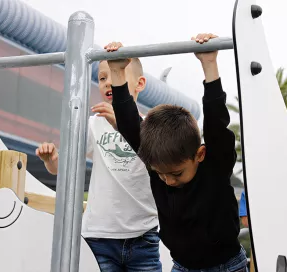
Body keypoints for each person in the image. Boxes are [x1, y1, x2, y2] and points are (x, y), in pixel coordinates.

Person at [103, 33, 248, 271]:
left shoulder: (215, 167)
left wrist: (209, 64)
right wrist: (118, 73)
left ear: (199, 155)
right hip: (182, 266)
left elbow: (216, 126)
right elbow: (130, 125)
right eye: (161, 175)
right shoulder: (157, 163)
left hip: (226, 266)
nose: (168, 181)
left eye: (177, 174)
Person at [35, 57, 162, 272]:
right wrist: (52, 160)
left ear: (139, 84)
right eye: (102, 77)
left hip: (143, 237)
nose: (107, 82)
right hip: (99, 236)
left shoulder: (150, 125)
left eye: (114, 75)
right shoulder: (93, 124)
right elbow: (62, 168)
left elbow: (161, 165)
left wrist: (122, 121)